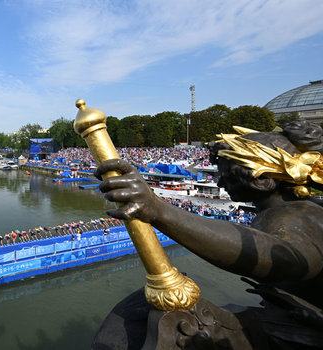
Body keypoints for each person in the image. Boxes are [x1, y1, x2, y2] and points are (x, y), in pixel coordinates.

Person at [94, 122, 323, 335]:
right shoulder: (302, 210)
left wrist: (159, 210)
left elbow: (285, 257)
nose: (220, 183)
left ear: (261, 180)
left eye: (227, 176)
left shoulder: (286, 218)